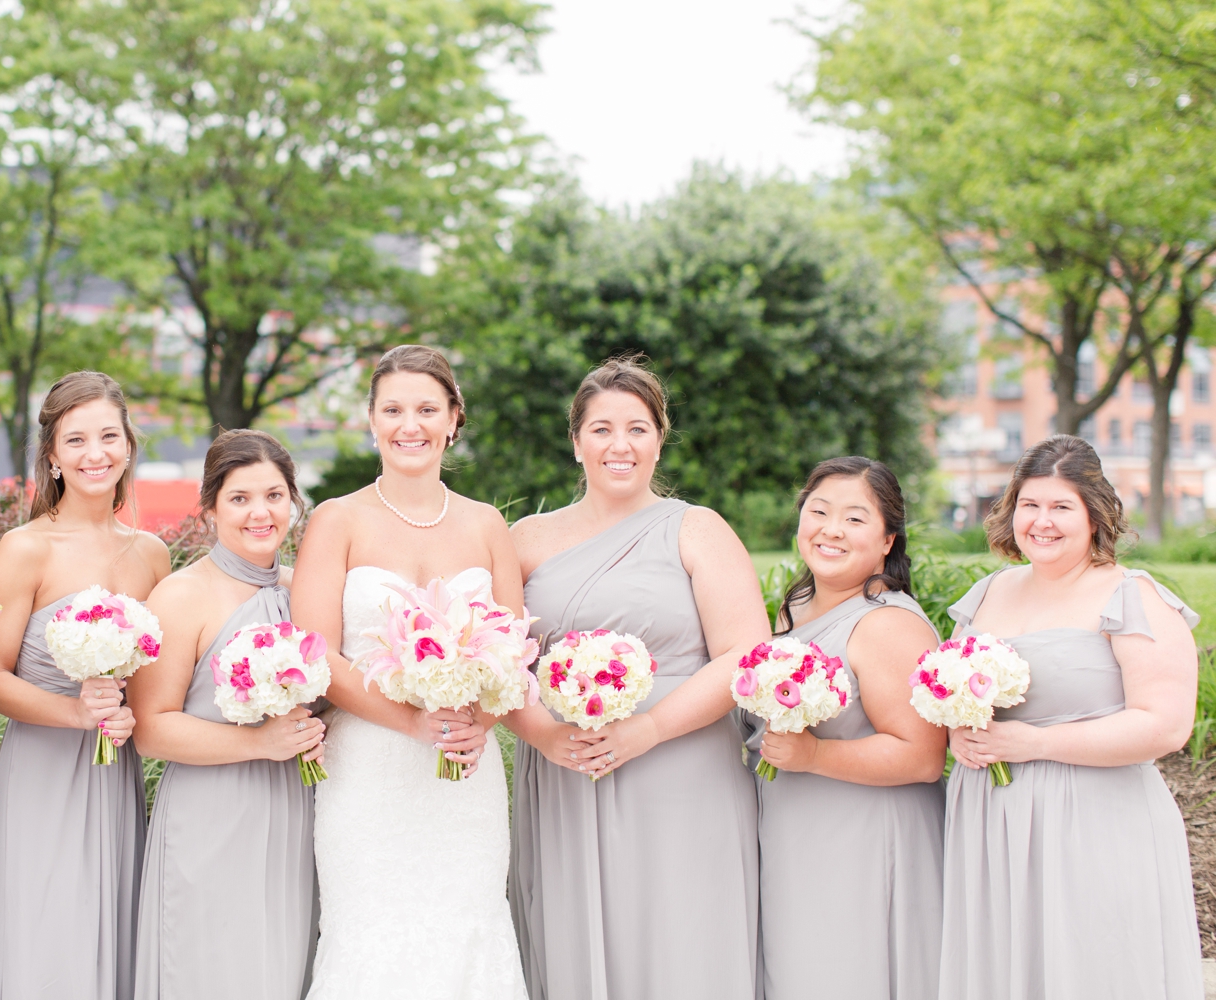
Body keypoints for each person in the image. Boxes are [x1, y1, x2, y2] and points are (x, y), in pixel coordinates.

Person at [505, 357, 771, 1000]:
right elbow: (496, 662)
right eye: (600, 429)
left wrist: (647, 728)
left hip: (682, 768)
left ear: (659, 438)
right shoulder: (525, 539)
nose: (619, 445)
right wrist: (543, 735)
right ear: (576, 442)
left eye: (637, 428)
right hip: (569, 770)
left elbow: (745, 652)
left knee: (683, 937)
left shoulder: (697, 528)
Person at [290, 344, 529, 999]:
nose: (410, 425)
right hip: (367, 775)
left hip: (463, 781)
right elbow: (317, 658)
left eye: (427, 409)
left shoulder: (485, 524)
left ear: (453, 419)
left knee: (469, 931)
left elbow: (512, 653)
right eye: (393, 409)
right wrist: (412, 722)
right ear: (371, 421)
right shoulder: (337, 519)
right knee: (369, 935)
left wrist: (481, 720)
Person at [941, 434, 1202, 999]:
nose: (1042, 522)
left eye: (1061, 507)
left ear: (1094, 515)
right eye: (1030, 505)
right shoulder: (988, 592)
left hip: (1092, 826)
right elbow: (952, 692)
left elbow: (1165, 725)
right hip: (993, 826)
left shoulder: (1131, 596)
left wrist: (1031, 743)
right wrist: (958, 731)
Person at [0, 371, 169, 1000]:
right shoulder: (24, 549)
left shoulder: (152, 555)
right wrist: (74, 713)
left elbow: (154, 682)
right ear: (53, 457)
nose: (96, 454)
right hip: (41, 774)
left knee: (113, 930)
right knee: (46, 939)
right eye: (77, 440)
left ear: (128, 446)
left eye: (109, 436)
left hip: (117, 775)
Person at [128, 429, 325, 999]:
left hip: (294, 810)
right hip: (213, 814)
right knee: (210, 967)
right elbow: (152, 729)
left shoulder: (303, 592)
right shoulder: (181, 595)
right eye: (239, 498)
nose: (259, 513)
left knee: (280, 968)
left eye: (273, 495)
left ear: (293, 501)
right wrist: (259, 743)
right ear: (210, 508)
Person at [747, 456, 945, 1000]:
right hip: (800, 834)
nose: (831, 529)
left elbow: (922, 756)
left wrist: (814, 757)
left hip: (864, 842)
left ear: (888, 540)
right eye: (819, 511)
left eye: (855, 519)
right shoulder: (799, 604)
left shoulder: (887, 624)